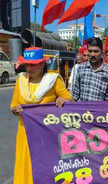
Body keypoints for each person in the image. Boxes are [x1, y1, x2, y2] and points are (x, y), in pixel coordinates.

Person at [10, 47, 73, 184]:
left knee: (45, 166)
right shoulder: (20, 80)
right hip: (25, 133)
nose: (29, 68)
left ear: (42, 64)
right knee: (26, 166)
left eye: (33, 65)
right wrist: (16, 110)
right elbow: (13, 106)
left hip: (46, 134)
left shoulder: (53, 80)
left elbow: (70, 100)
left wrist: (62, 100)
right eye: (27, 64)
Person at [72, 37, 108, 101]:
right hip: (83, 110)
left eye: (96, 51)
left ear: (101, 52)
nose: (92, 54)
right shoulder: (81, 68)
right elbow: (75, 96)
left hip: (101, 110)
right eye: (90, 51)